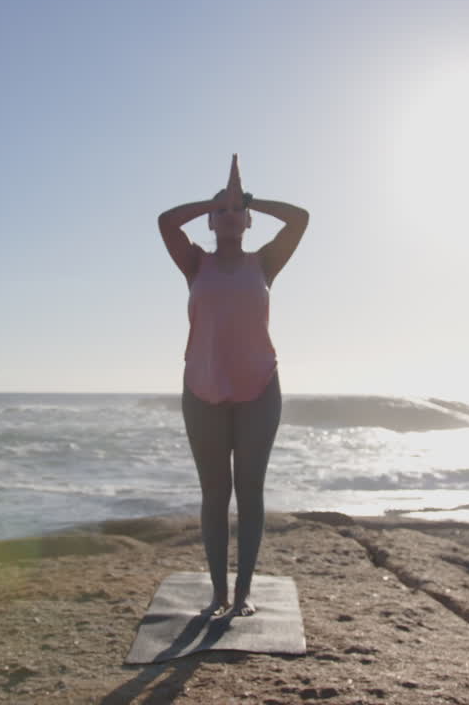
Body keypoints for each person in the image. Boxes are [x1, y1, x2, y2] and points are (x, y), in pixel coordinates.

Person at [157, 154, 309, 618]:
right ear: (209, 220)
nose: (227, 216)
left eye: (234, 211)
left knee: (250, 490)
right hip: (201, 388)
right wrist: (214, 199)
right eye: (218, 212)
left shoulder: (264, 263)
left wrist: (250, 200)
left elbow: (300, 219)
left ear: (246, 220)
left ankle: (243, 594)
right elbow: (165, 221)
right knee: (214, 493)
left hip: (260, 387)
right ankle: (217, 593)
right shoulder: (194, 263)